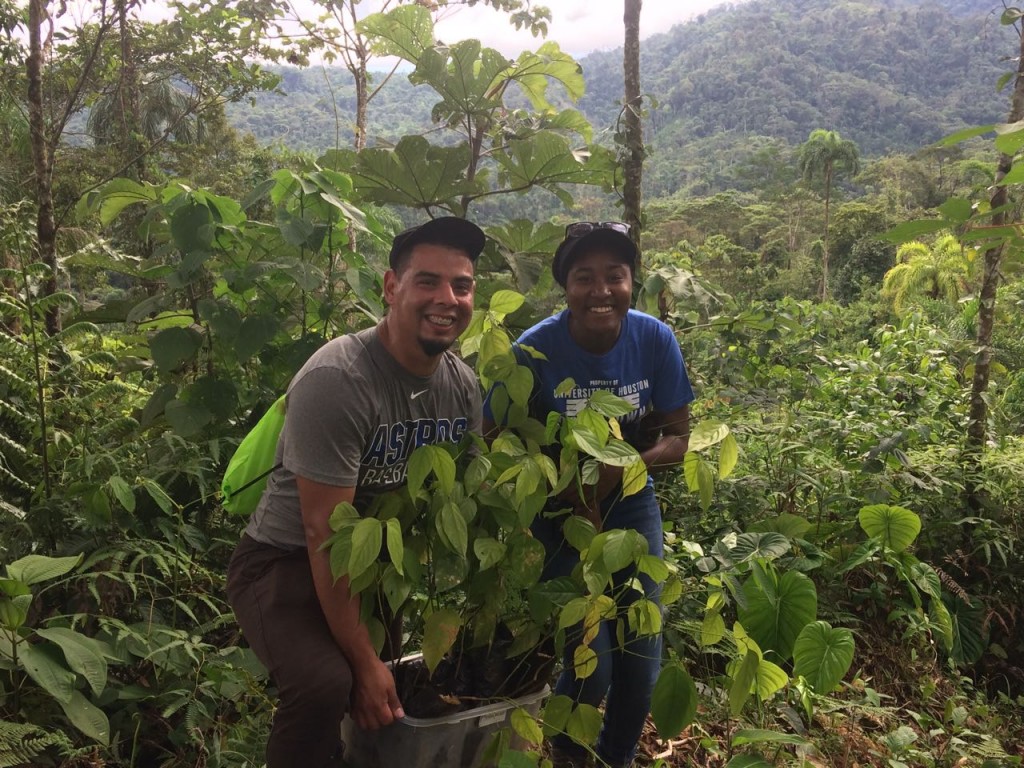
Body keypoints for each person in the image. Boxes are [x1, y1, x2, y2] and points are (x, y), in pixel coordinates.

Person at [226, 216, 485, 768]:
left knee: (385, 695)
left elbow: (465, 496)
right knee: (326, 684)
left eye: (461, 286)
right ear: (391, 287)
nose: (447, 299)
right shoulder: (341, 378)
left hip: (375, 565)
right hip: (284, 560)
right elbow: (324, 532)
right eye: (428, 281)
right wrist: (363, 661)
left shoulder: (462, 386)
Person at [487, 221, 694, 768]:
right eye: (584, 277)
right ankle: (568, 755)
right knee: (591, 661)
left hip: (631, 503)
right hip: (556, 512)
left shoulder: (654, 340)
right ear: (565, 286)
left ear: (632, 282)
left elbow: (678, 438)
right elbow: (491, 440)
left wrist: (623, 466)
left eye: (614, 276)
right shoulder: (534, 350)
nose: (601, 290)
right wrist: (559, 485)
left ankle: (616, 758)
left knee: (641, 657)